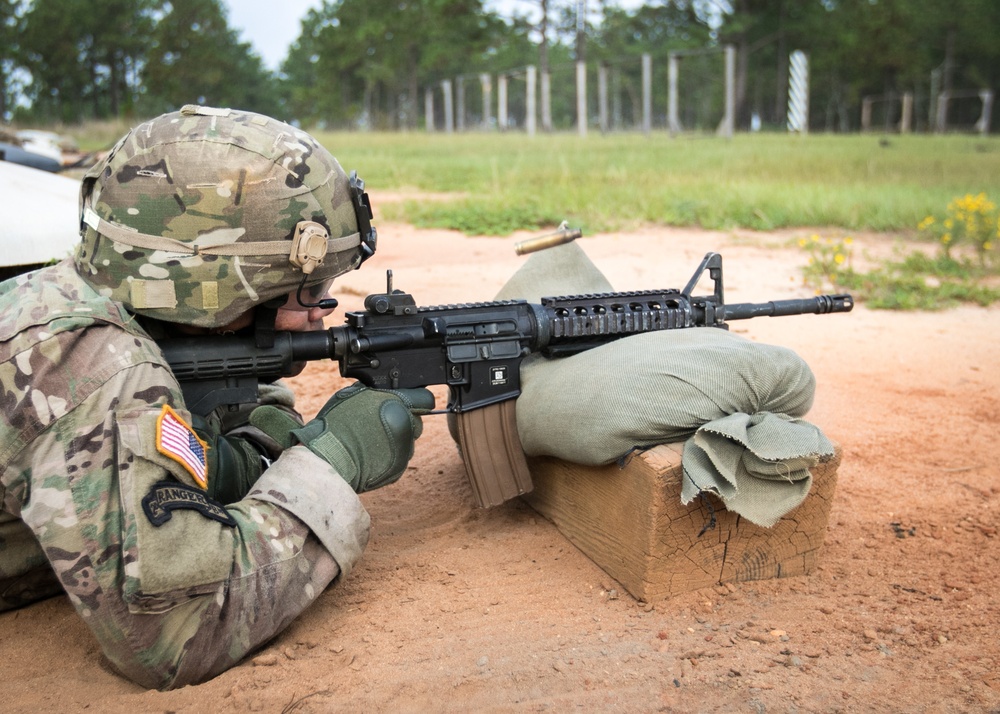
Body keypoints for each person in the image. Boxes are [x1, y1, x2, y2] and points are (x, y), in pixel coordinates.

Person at [0, 105, 433, 689]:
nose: (318, 314)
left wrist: (250, 443)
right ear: (217, 290)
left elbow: (219, 392)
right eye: (306, 290)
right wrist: (332, 465)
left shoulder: (96, 299)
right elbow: (176, 633)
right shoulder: (99, 375)